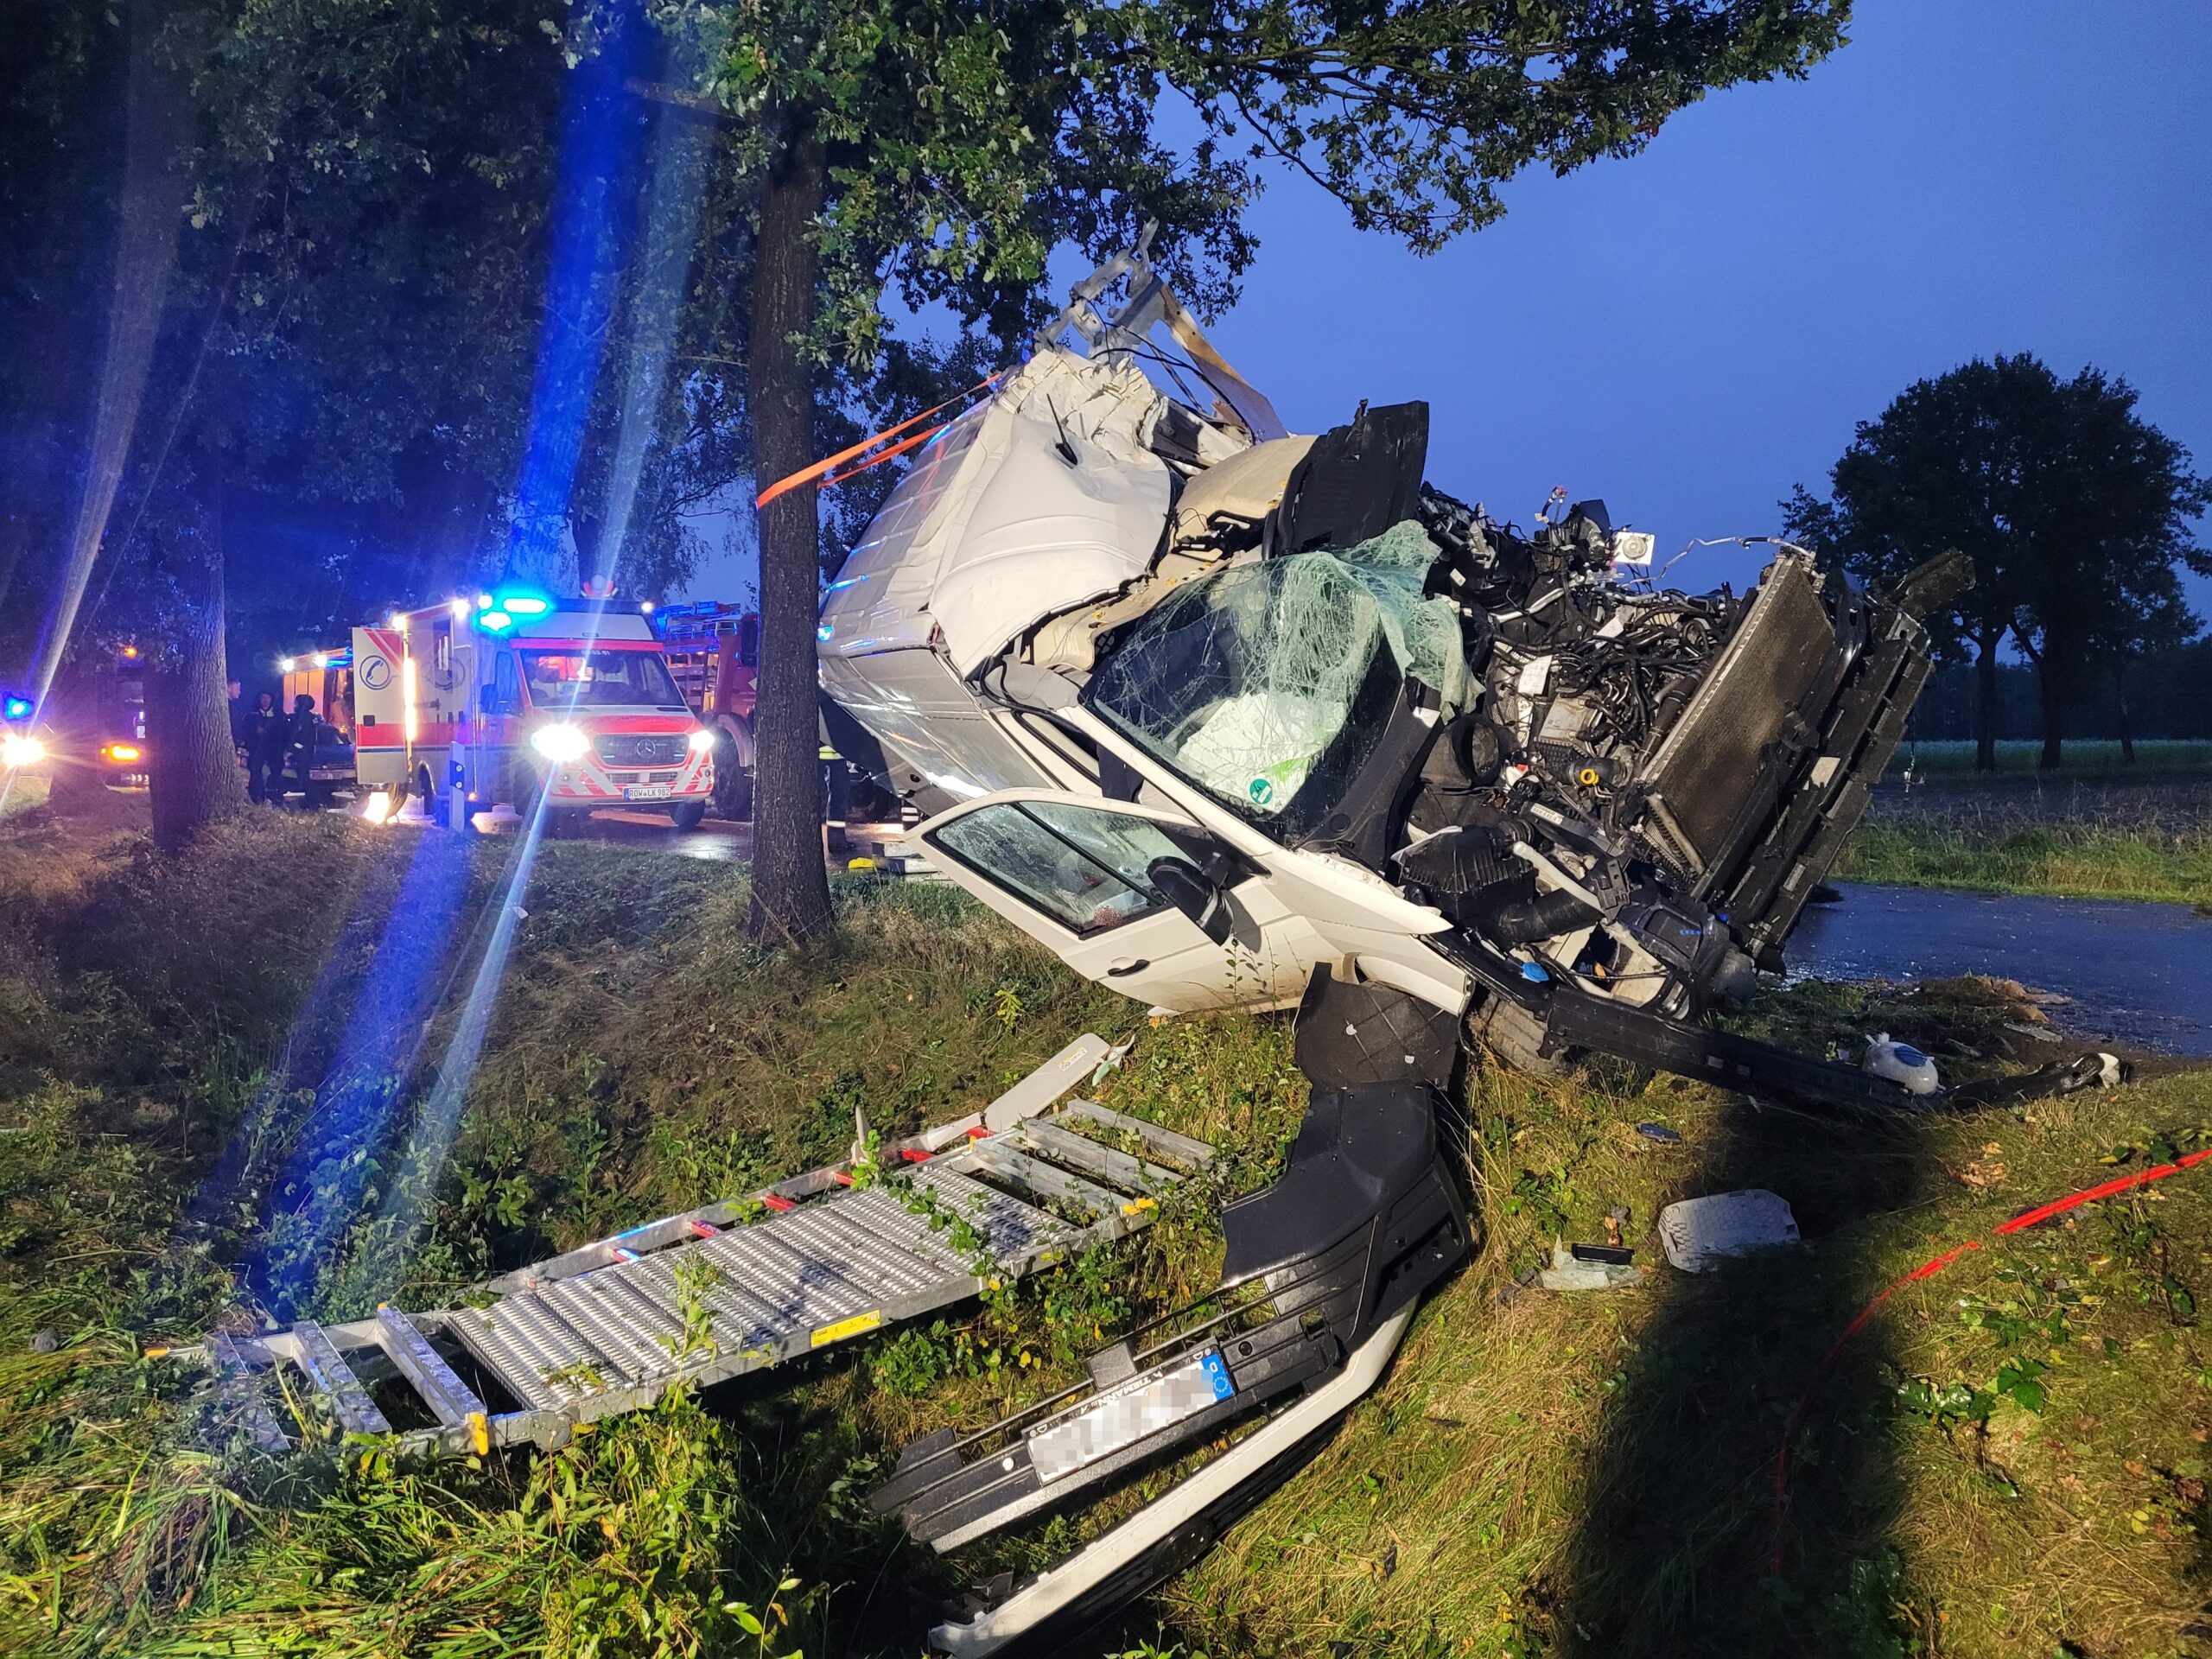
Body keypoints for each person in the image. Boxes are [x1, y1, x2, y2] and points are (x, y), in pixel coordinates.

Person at [244, 691, 283, 804]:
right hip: (256, 748)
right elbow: (244, 730)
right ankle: (256, 797)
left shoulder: (278, 714)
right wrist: (254, 733)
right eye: (263, 698)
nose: (265, 700)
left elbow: (284, 731)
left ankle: (275, 797)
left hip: (274, 750)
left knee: (276, 772)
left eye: (268, 698)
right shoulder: (251, 714)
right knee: (255, 772)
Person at [283, 693, 318, 806]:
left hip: (303, 753)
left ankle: (311, 801)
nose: (294, 705)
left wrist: (291, 751)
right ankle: (309, 800)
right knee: (302, 776)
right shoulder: (309, 717)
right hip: (305, 752)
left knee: (303, 777)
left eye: (296, 703)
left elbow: (300, 738)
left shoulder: (304, 719)